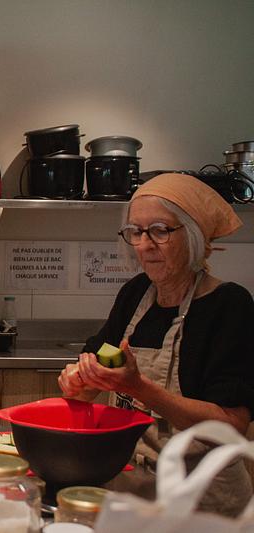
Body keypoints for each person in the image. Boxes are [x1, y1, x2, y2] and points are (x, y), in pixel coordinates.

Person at [58, 173, 254, 517]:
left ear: (191, 235)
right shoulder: (135, 294)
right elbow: (95, 374)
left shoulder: (229, 306)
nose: (144, 245)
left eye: (160, 230)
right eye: (136, 231)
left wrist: (140, 388)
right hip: (132, 487)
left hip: (202, 502)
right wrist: (81, 382)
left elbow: (231, 425)